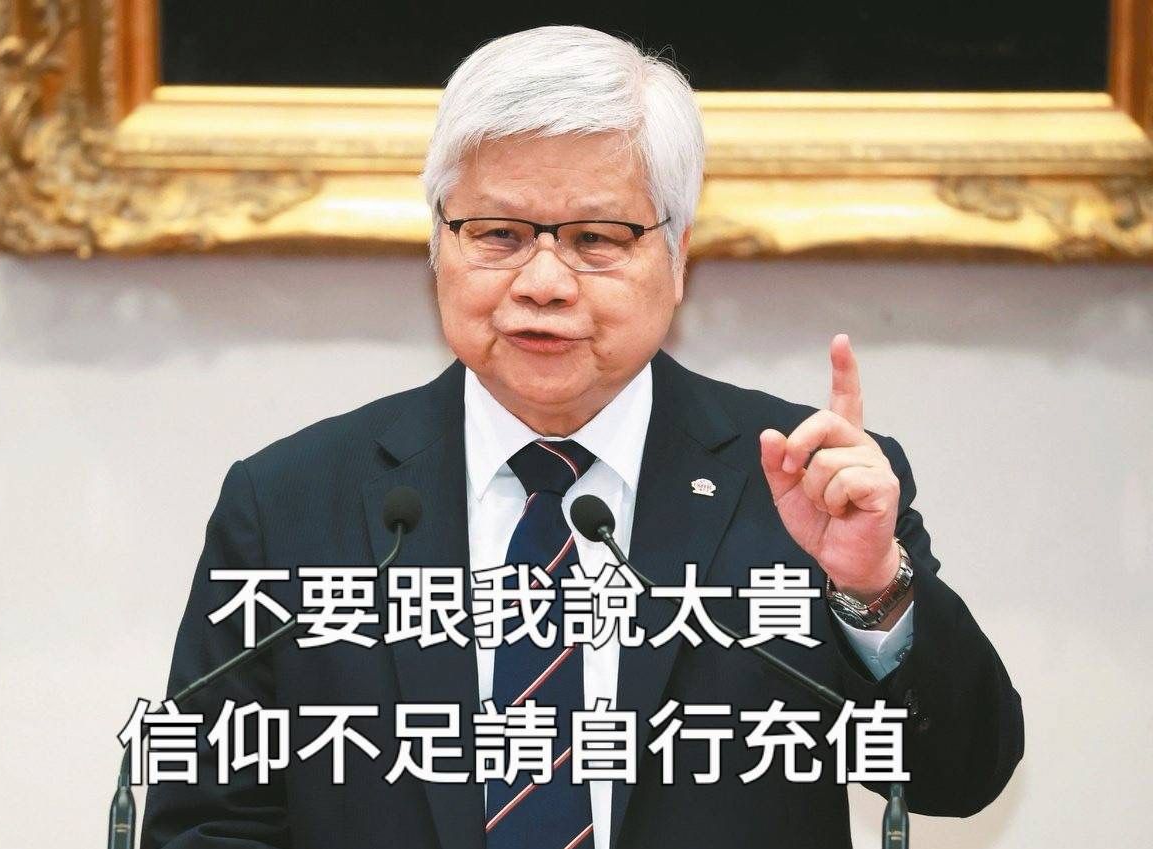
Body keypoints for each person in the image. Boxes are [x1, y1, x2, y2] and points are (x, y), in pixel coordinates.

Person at [141, 26, 1022, 849]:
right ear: (437, 243)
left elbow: (961, 776)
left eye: (596, 238)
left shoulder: (804, 485)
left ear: (678, 256)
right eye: (498, 234)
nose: (544, 282)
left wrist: (873, 589)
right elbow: (204, 826)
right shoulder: (290, 505)